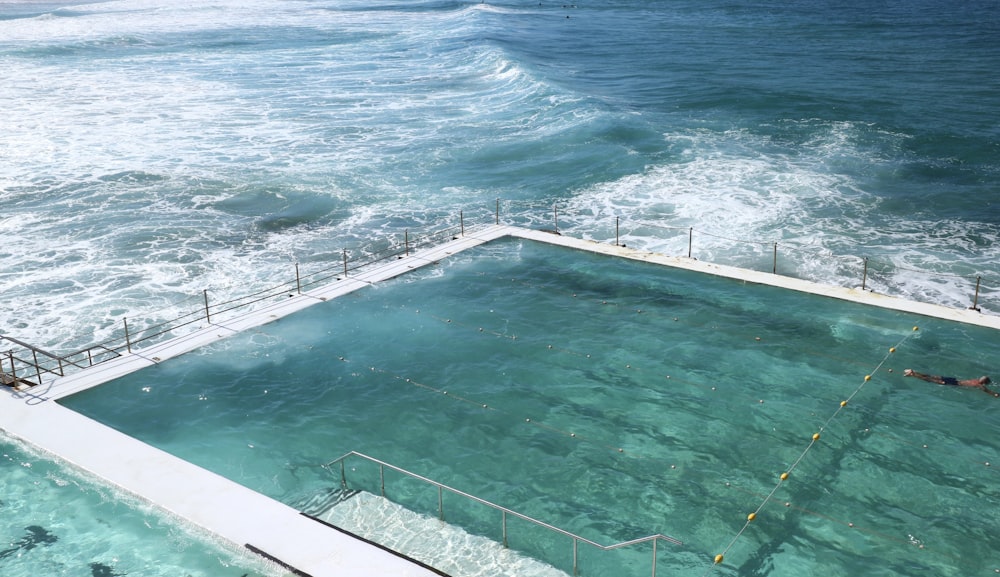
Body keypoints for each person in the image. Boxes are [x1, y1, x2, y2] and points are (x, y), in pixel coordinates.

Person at [903, 368, 999, 397]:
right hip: (955, 383)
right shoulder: (979, 385)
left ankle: (914, 372)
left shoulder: (976, 380)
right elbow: (989, 392)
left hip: (954, 380)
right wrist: (996, 394)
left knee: (931, 376)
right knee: (931, 380)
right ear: (984, 383)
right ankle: (913, 374)